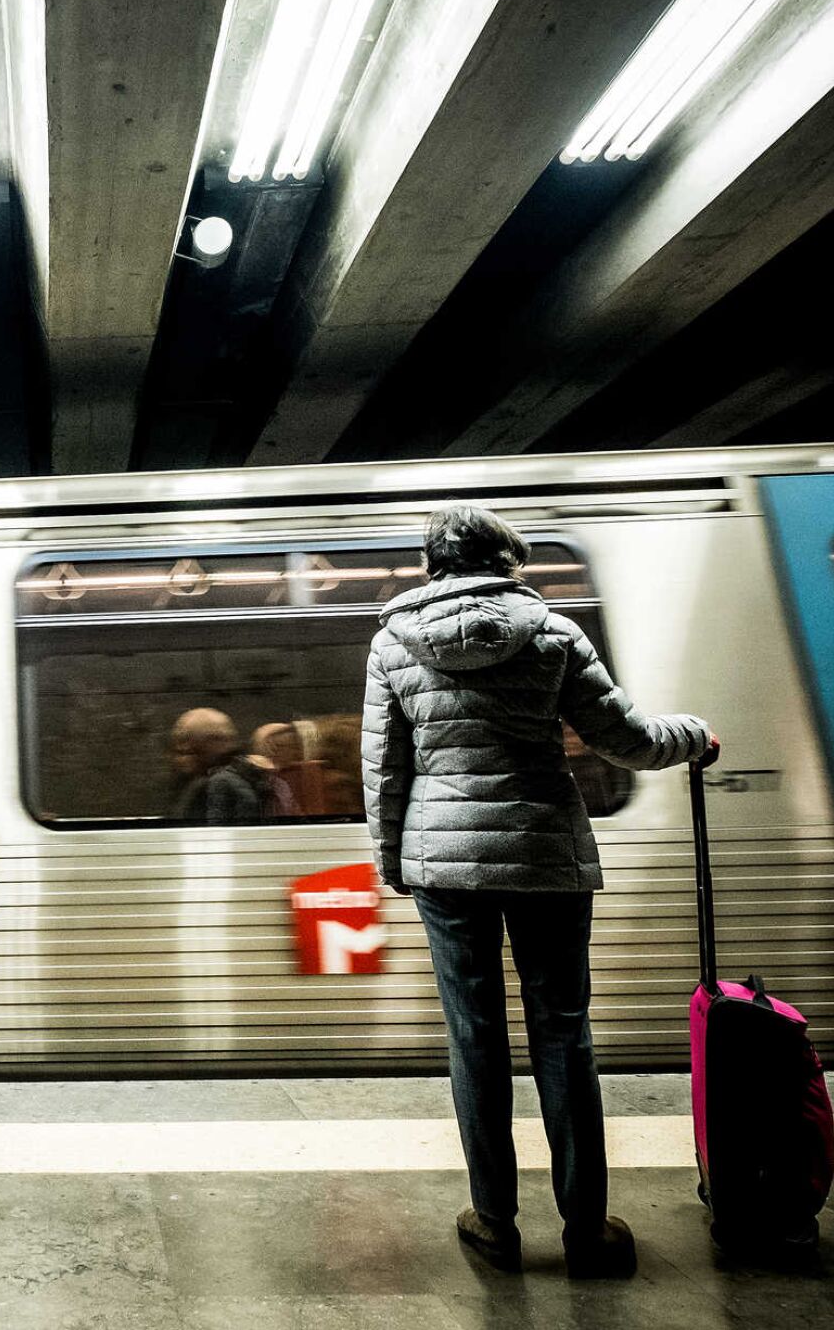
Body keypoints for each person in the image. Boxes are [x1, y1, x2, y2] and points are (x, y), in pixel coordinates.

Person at [362, 504, 717, 1278]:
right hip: (544, 854)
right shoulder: (554, 634)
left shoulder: (393, 642)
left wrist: (393, 859)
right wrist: (695, 734)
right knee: (563, 1032)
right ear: (507, 560)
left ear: (433, 564)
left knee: (475, 1036)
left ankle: (494, 1219)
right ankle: (586, 1226)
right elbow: (626, 740)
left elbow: (384, 769)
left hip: (445, 865)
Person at [168, 708, 283, 822]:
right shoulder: (255, 774)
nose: (180, 759)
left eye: (188, 750)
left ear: (211, 742)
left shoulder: (207, 787)